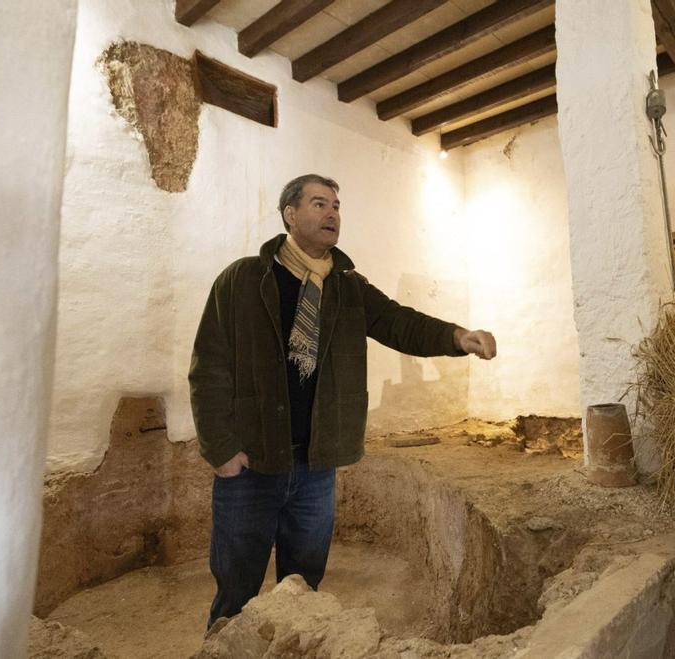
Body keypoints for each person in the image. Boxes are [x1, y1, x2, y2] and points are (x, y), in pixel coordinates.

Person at [188, 174, 497, 627]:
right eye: (319, 204)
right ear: (290, 214)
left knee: (303, 589)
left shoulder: (348, 286)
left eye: (336, 205)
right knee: (236, 590)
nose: (332, 213)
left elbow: (398, 322)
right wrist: (222, 450)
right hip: (251, 461)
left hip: (316, 465)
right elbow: (208, 367)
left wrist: (456, 336)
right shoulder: (243, 279)